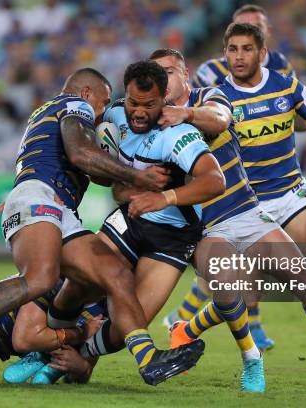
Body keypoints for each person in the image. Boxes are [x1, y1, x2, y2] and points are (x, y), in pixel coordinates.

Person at [0, 67, 204, 388]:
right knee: (39, 279)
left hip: (54, 205)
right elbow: (81, 153)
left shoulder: (46, 111)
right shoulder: (76, 106)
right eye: (101, 105)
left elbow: (94, 168)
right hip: (40, 196)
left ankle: (148, 358)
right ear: (87, 94)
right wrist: (138, 176)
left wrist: (114, 163)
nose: (100, 117)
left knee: (113, 273)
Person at [169, 23, 306, 384]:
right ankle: (188, 327)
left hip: (290, 193)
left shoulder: (285, 85)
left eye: (246, 49)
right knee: (243, 290)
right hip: (246, 202)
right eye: (232, 50)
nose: (238, 56)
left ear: (261, 52)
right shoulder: (217, 98)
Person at [44, 60, 225, 381]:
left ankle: (76, 358)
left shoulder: (178, 134)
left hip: (174, 236)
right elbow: (87, 157)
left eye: (149, 105)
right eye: (133, 103)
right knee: (80, 282)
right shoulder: (112, 116)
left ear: (163, 102)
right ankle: (43, 348)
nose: (139, 112)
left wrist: (164, 198)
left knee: (131, 320)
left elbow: (214, 181)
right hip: (130, 220)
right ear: (124, 96)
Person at [167, 4, 306, 348]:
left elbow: (295, 116)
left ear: (265, 35)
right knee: (236, 260)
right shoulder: (210, 73)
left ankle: (186, 320)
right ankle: (197, 322)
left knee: (249, 259)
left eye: (254, 29)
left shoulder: (281, 70)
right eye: (238, 34)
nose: (241, 50)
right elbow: (202, 111)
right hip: (230, 172)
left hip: (265, 174)